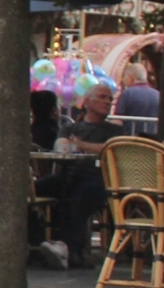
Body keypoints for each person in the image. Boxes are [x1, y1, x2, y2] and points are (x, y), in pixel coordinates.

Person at [35, 83, 118, 263]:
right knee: (31, 189)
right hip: (68, 175)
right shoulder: (71, 127)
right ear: (87, 102)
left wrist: (81, 145)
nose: (108, 102)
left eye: (110, 98)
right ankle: (33, 241)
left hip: (98, 178)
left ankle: (65, 247)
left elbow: (110, 149)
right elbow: (61, 146)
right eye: (103, 97)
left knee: (84, 194)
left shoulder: (115, 130)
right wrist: (71, 145)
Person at [112, 60, 161, 130]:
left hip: (130, 138)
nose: (124, 80)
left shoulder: (127, 94)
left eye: (125, 77)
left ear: (130, 77)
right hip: (152, 139)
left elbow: (117, 120)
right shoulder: (158, 95)